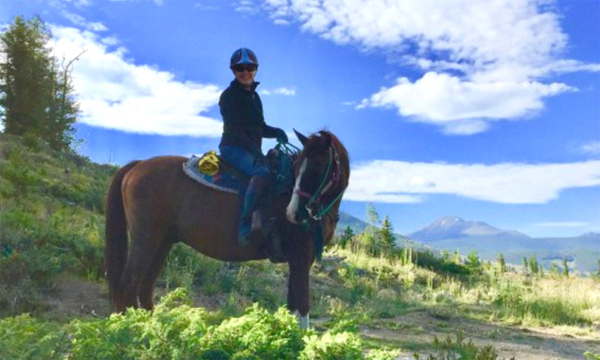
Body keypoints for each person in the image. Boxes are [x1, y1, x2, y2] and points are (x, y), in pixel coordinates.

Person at [219, 48, 288, 247]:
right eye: (240, 68)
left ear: (255, 70)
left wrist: (276, 132)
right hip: (233, 147)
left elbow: (260, 127)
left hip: (249, 149)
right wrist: (254, 149)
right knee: (261, 171)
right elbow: (234, 129)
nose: (245, 72)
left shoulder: (255, 97)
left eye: (250, 67)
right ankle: (244, 223)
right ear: (234, 71)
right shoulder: (229, 96)